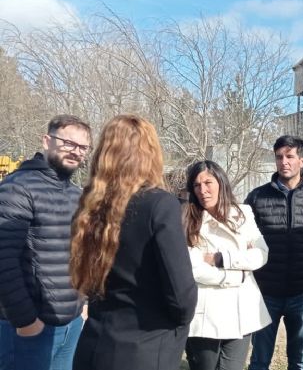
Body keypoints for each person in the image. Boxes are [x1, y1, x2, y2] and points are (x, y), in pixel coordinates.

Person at [69, 115, 198, 370]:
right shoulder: (159, 205)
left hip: (94, 344)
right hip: (144, 349)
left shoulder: (90, 205)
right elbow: (182, 297)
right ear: (149, 155)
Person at [0, 115, 91, 370]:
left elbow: (78, 255)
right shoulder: (17, 188)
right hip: (29, 329)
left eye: (82, 147)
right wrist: (25, 320)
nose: (76, 152)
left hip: (70, 325)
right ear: (47, 141)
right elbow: (3, 261)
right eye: (68, 143)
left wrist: (82, 303)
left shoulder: (75, 194)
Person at [246, 135, 303, 370]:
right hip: (266, 291)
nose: (284, 162)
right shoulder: (257, 197)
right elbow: (243, 236)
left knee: (299, 361)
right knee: (259, 360)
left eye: (290, 156)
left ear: (302, 161)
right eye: (279, 157)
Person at [183, 160, 271, 370]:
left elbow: (261, 254)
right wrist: (234, 275)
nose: (203, 190)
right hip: (204, 312)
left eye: (208, 182)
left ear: (221, 182)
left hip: (241, 309)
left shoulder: (243, 213)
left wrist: (220, 259)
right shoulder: (186, 218)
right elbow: (191, 266)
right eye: (197, 185)